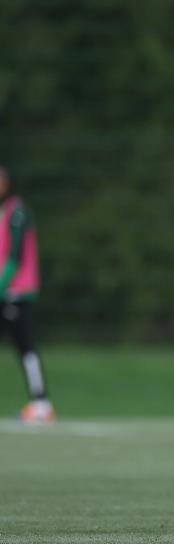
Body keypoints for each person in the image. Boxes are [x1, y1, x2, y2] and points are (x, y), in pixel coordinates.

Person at [0, 166, 53, 423]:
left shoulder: (17, 212)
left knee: (26, 347)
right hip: (5, 291)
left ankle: (41, 402)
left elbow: (14, 257)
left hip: (16, 292)